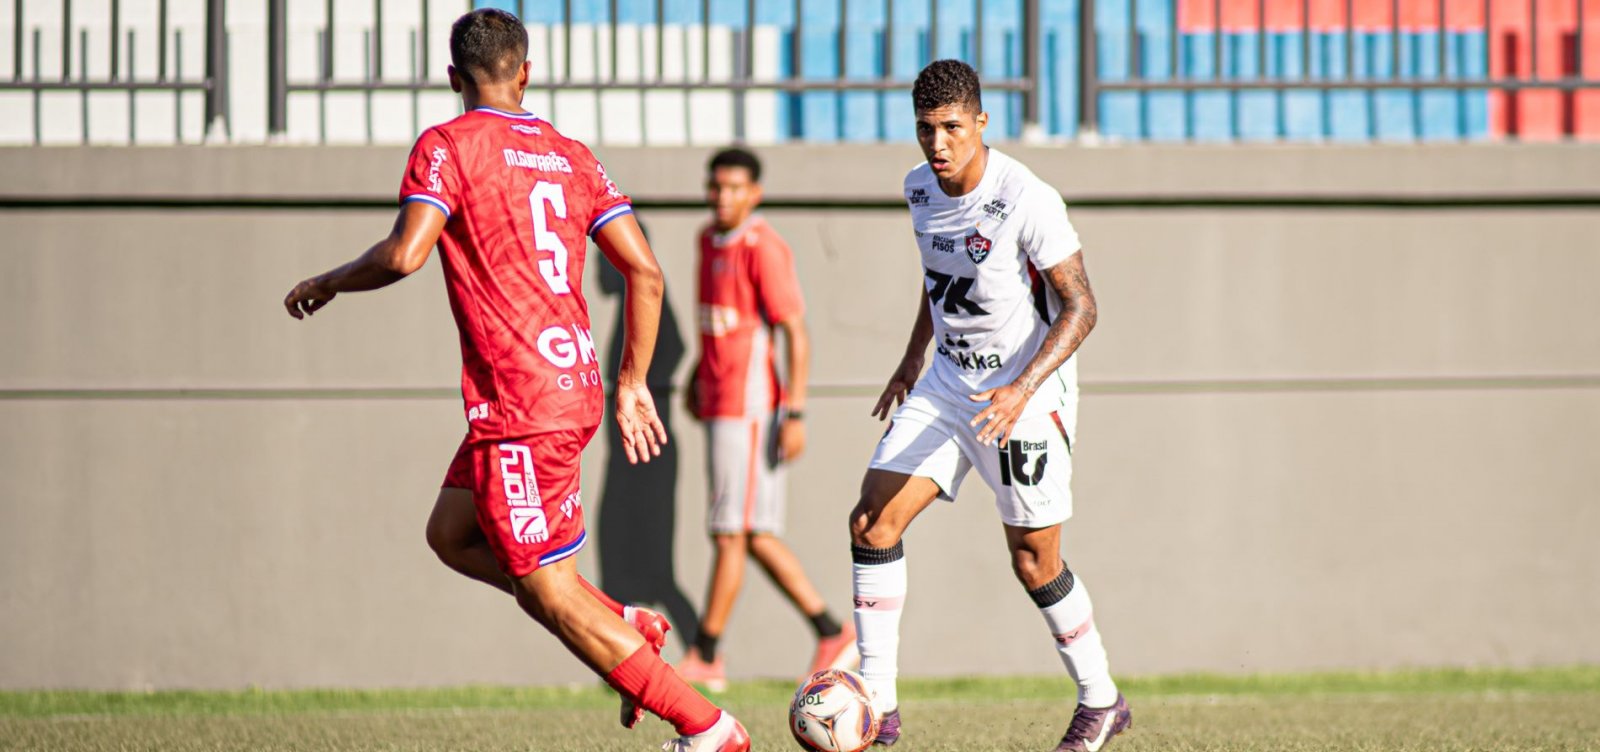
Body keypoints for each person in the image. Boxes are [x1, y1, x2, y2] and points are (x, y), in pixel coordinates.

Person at [281, 9, 749, 751]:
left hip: (522, 405)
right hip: (573, 389)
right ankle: (628, 623)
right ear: (525, 72)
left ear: (452, 78)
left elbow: (405, 255)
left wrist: (331, 279)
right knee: (451, 533)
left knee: (548, 591)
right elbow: (646, 273)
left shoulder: (446, 145)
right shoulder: (571, 153)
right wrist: (632, 384)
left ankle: (708, 727)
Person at [848, 60, 1132, 751]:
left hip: (1025, 396)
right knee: (871, 522)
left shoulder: (1026, 197)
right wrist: (914, 356)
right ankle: (878, 707)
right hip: (947, 385)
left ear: (980, 123)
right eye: (925, 129)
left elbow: (1083, 307)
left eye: (951, 127)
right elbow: (939, 278)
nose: (937, 144)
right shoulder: (919, 188)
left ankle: (1101, 699)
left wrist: (1022, 387)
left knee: (1034, 561)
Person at [675, 147, 857, 691]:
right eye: (716, 186)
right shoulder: (706, 240)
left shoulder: (764, 246)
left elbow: (794, 333)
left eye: (734, 187)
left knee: (732, 533)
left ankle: (707, 654)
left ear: (755, 192)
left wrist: (794, 412)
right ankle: (831, 631)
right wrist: (694, 379)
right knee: (749, 534)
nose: (723, 196)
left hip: (752, 409)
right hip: (719, 404)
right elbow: (718, 326)